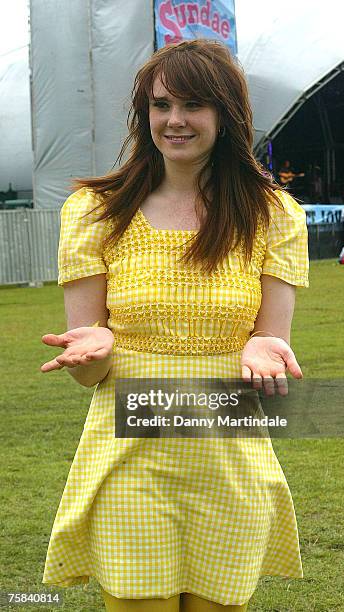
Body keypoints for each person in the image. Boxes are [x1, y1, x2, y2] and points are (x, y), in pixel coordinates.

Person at [41, 39, 309, 612]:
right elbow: (88, 378)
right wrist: (99, 345)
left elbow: (273, 337)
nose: (176, 120)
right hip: (130, 457)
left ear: (226, 114)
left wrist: (265, 345)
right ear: (144, 114)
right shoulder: (93, 211)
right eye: (161, 105)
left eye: (194, 105)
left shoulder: (272, 214)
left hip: (229, 458)